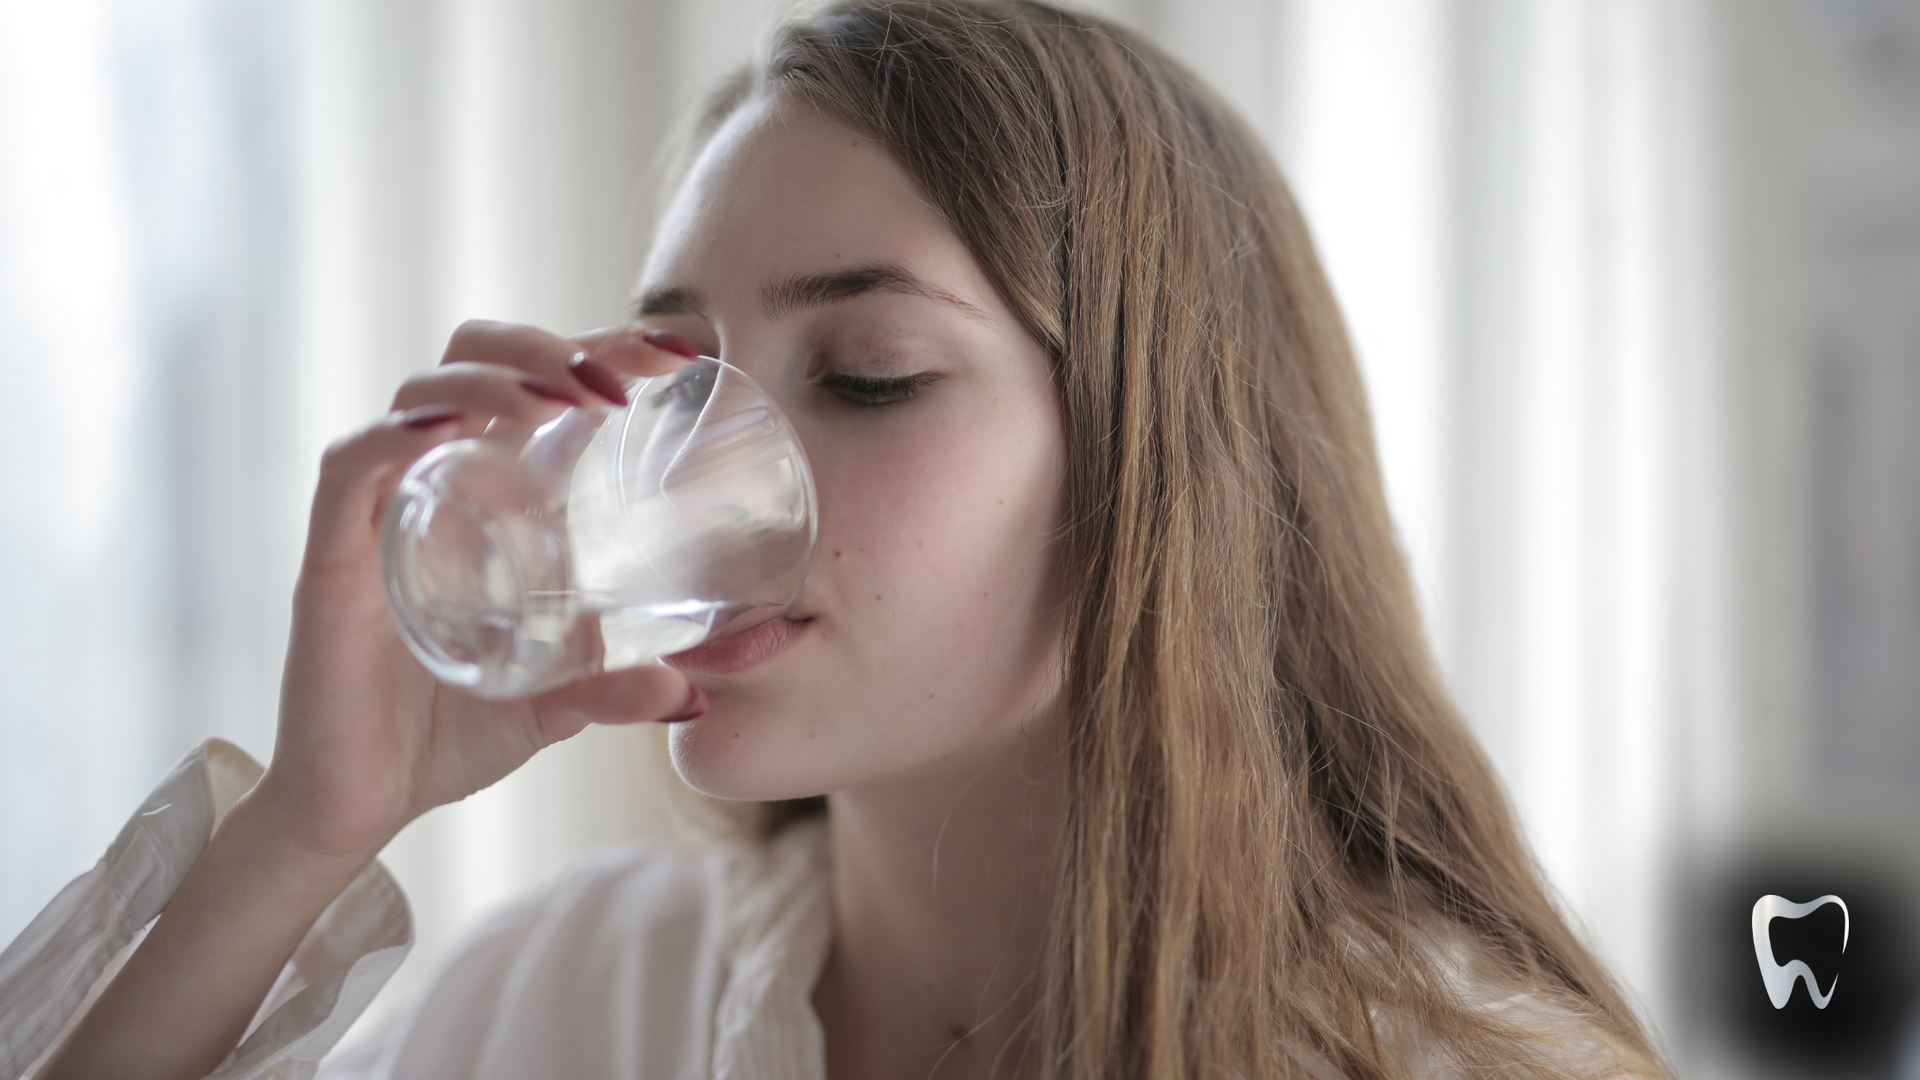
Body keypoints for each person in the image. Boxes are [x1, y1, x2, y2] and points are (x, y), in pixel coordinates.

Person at [0, 2, 1673, 1077]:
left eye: (866, 377)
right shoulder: (583, 996)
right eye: (675, 383)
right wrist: (304, 830)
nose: (702, 485)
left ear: (1165, 468)